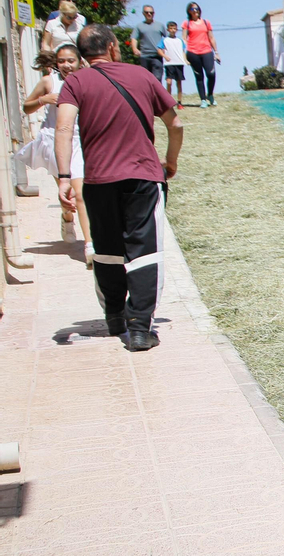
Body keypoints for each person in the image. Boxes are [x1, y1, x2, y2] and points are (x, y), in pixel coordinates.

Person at [54, 25, 184, 351]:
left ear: (83, 54)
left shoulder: (75, 81)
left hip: (98, 180)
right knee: (145, 251)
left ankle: (114, 317)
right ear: (113, 46)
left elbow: (64, 128)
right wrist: (170, 162)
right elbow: (175, 123)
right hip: (143, 177)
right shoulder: (141, 75)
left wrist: (64, 176)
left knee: (107, 251)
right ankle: (140, 328)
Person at [20, 45, 91, 252]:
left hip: (78, 140)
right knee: (66, 192)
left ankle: (90, 245)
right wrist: (43, 100)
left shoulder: (87, 80)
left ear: (80, 62)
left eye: (71, 61)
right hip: (54, 141)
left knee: (80, 192)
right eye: (61, 61)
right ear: (56, 63)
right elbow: (26, 107)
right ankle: (67, 218)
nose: (66, 65)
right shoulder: (49, 82)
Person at [181, 3, 218, 107]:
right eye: (193, 9)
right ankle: (203, 99)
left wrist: (216, 52)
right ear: (189, 11)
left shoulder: (206, 22)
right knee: (199, 76)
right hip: (193, 53)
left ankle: (210, 94)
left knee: (211, 74)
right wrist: (184, 54)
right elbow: (184, 38)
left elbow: (211, 37)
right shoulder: (187, 23)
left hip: (206, 51)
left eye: (197, 8)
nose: (195, 10)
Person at [131, 5, 166, 81]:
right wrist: (134, 48)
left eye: (151, 12)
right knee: (146, 79)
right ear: (143, 13)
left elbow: (167, 39)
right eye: (147, 12)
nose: (149, 14)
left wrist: (164, 48)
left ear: (154, 13)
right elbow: (134, 38)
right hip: (144, 56)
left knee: (157, 78)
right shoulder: (139, 26)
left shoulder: (160, 25)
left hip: (157, 56)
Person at [161, 21, 187, 106]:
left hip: (179, 63)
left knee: (179, 82)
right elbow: (159, 49)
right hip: (169, 64)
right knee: (169, 82)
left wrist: (185, 60)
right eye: (171, 28)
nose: (173, 30)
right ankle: (169, 101)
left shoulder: (180, 40)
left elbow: (183, 51)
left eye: (174, 28)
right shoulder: (164, 40)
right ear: (168, 29)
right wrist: (164, 56)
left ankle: (179, 102)